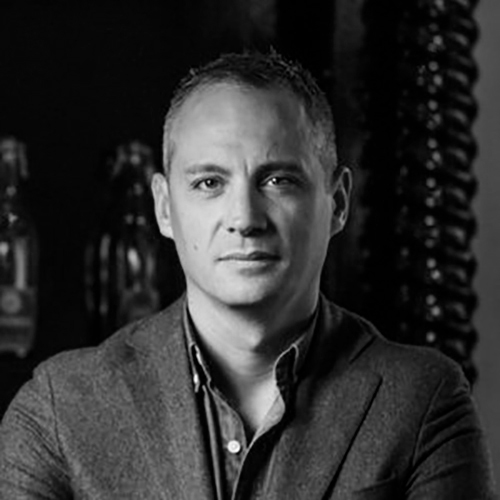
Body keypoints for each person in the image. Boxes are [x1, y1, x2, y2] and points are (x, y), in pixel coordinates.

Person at [0, 51, 496, 500]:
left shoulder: (423, 401)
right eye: (209, 182)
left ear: (338, 202)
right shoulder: (59, 409)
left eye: (278, 180)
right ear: (164, 207)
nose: (244, 217)